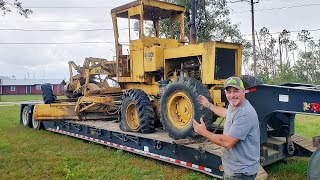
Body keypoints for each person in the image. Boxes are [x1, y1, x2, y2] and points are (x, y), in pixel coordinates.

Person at [193, 76, 260, 180]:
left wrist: (204, 132)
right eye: (228, 92)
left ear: (243, 91)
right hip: (234, 168)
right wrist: (208, 105)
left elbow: (227, 143)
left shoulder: (244, 113)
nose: (232, 95)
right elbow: (225, 113)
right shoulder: (233, 106)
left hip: (241, 173)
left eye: (236, 91)